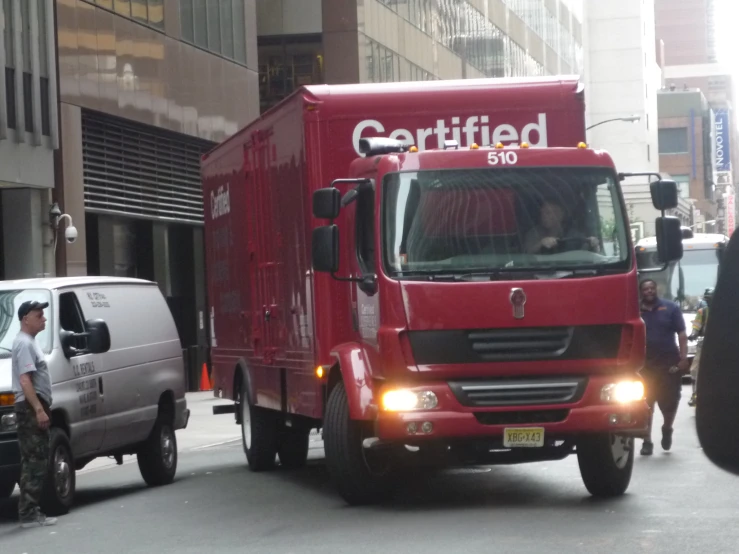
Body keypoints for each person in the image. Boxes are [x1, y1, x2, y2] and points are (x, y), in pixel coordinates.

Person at [12, 300, 57, 528]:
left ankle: (30, 511)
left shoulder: (29, 342)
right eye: (39, 315)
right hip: (30, 408)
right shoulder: (24, 344)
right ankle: (29, 513)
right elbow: (25, 380)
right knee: (35, 460)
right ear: (25, 318)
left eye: (43, 315)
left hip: (33, 406)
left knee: (34, 459)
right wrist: (38, 409)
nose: (44, 319)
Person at [639, 279, 690, 456]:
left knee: (669, 403)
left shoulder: (670, 308)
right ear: (641, 292)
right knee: (646, 403)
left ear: (656, 289)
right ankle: (647, 441)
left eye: (652, 288)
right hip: (644, 366)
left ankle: (667, 428)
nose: (649, 291)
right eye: (646, 289)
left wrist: (683, 359)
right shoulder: (635, 310)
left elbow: (682, 334)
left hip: (669, 365)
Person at [523, 200, 599, 254]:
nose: (543, 216)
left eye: (548, 213)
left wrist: (592, 244)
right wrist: (541, 244)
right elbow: (526, 254)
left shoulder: (573, 234)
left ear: (560, 215)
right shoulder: (534, 233)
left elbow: (586, 250)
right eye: (542, 213)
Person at [687, 287, 713, 407]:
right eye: (707, 299)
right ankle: (695, 395)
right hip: (704, 345)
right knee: (694, 370)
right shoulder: (702, 312)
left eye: (711, 298)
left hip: (721, 346)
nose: (708, 301)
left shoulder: (727, 311)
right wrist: (693, 334)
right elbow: (696, 327)